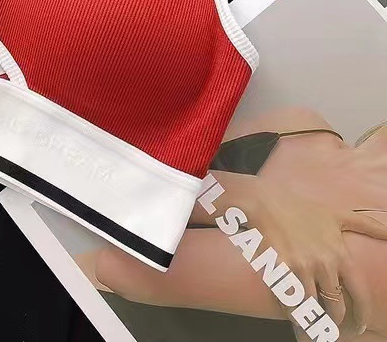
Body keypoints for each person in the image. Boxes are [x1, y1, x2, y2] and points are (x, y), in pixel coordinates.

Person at [76, 109, 387, 341]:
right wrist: (252, 196)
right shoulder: (301, 127)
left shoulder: (376, 246)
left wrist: (233, 193)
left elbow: (120, 268)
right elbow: (102, 180)